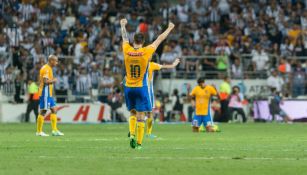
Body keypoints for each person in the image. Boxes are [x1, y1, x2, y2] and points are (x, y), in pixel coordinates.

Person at [120, 18, 174, 149]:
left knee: (132, 113)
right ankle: (138, 144)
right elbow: (160, 39)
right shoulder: (146, 51)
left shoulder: (126, 49)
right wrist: (169, 28)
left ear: (134, 41)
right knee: (141, 116)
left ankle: (132, 134)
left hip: (128, 87)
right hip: (141, 87)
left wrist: (122, 25)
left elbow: (124, 37)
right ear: (143, 42)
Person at [146, 59, 180, 138]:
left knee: (141, 112)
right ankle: (147, 133)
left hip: (141, 90)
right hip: (147, 91)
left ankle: (134, 132)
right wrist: (173, 65)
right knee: (148, 113)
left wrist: (173, 65)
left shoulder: (144, 64)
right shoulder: (150, 65)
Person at [36, 55, 64, 137]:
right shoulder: (46, 69)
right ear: (51, 60)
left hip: (49, 93)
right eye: (56, 61)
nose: (57, 63)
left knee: (54, 109)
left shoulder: (49, 68)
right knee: (43, 111)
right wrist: (53, 80)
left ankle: (54, 131)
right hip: (45, 92)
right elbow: (45, 81)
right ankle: (39, 131)